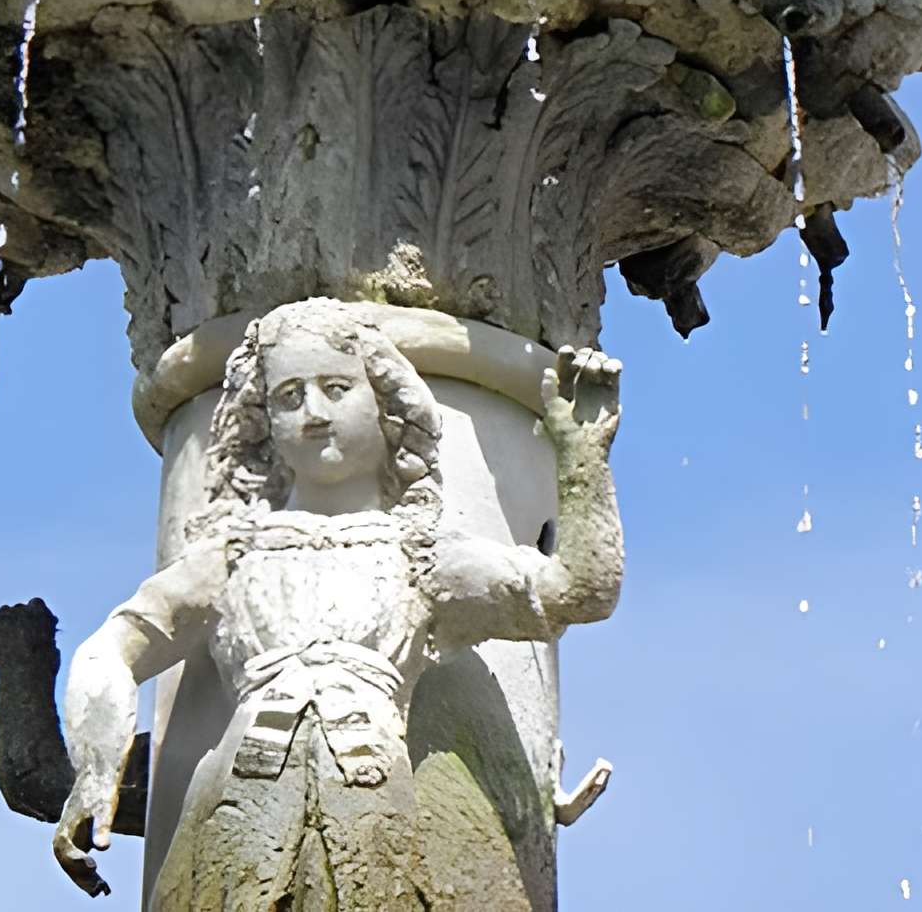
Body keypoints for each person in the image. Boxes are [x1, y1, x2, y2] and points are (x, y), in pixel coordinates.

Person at [53, 297, 622, 907]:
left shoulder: (420, 556)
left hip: (372, 815)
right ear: (263, 419)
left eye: (336, 388)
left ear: (385, 404)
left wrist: (583, 460)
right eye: (289, 396)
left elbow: (580, 591)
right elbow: (111, 649)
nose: (314, 413)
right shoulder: (233, 557)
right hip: (237, 819)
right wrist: (95, 769)